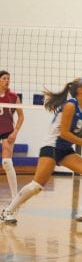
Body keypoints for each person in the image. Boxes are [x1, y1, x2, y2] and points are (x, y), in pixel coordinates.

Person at [0, 78, 82, 224]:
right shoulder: (70, 105)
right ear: (80, 90)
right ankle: (7, 211)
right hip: (52, 147)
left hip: (65, 149)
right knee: (37, 186)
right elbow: (64, 134)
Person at [0, 70, 24, 201]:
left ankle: (15, 197)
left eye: (8, 78)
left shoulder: (13, 96)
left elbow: (21, 116)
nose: (7, 80)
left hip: (7, 131)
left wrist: (15, 132)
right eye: (4, 78)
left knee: (7, 163)